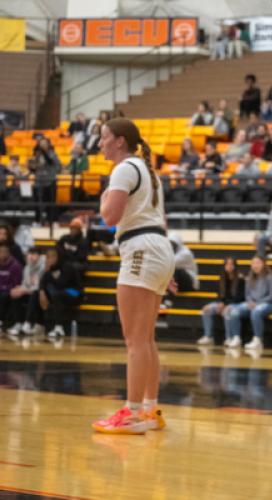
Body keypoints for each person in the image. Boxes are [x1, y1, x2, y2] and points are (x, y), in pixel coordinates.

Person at [92, 117, 175, 434]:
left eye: (104, 137)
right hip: (158, 247)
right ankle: (149, 410)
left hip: (141, 248)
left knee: (135, 340)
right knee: (146, 338)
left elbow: (110, 217)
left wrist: (102, 200)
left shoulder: (125, 169)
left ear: (120, 141)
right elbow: (161, 219)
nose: (100, 143)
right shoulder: (148, 171)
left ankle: (132, 411)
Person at [225, 255, 272, 350]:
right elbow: (247, 295)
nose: (255, 265)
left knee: (256, 311)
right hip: (253, 303)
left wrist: (258, 303)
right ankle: (236, 338)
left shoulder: (270, 277)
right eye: (253, 263)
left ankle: (258, 340)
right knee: (234, 311)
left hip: (270, 304)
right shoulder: (249, 277)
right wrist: (250, 302)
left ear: (263, 264)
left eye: (258, 263)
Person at [197, 257, 245, 346]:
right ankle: (208, 336)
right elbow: (220, 295)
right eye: (227, 264)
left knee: (227, 311)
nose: (229, 266)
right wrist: (220, 303)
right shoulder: (222, 278)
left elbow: (240, 297)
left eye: (231, 264)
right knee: (206, 309)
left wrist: (225, 304)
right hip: (223, 303)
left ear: (235, 266)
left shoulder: (240, 278)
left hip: (235, 304)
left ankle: (229, 338)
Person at [39, 247, 83, 338]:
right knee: (37, 294)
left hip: (75, 292)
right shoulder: (49, 269)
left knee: (57, 295)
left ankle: (59, 328)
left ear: (59, 257)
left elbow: (61, 284)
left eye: (53, 256)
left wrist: (48, 272)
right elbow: (42, 284)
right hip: (60, 292)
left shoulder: (67, 267)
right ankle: (34, 323)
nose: (50, 259)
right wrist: (42, 292)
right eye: (48, 257)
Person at [8, 247, 46, 336]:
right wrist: (20, 289)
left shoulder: (43, 267)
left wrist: (24, 290)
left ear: (39, 256)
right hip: (30, 291)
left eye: (34, 254)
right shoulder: (27, 267)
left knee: (34, 295)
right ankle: (18, 323)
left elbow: (39, 286)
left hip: (41, 292)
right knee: (15, 294)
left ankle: (27, 323)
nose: (31, 257)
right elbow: (25, 284)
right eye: (29, 254)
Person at [0, 243, 23, 332]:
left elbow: (16, 284)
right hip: (2, 289)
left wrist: (3, 288)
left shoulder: (15, 265)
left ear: (7, 254)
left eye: (1, 253)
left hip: (11, 289)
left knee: (3, 296)